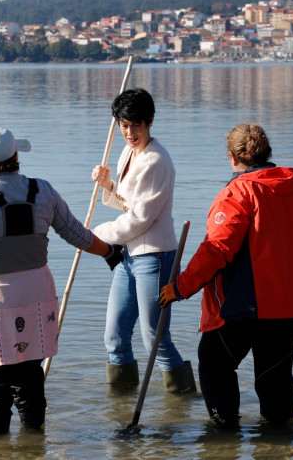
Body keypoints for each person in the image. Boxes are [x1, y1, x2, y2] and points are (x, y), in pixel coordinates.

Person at [0, 126, 123, 434]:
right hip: (36, 294)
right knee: (30, 375)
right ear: (16, 156)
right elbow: (76, 233)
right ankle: (34, 443)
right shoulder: (43, 190)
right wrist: (109, 252)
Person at [159, 123, 293, 428]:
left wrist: (180, 288)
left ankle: (224, 437)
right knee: (275, 375)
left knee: (215, 364)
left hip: (246, 305)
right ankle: (280, 441)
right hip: (292, 305)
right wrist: (290, 270)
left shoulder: (238, 192)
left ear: (232, 157)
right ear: (268, 153)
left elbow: (216, 249)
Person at [90, 88, 196, 393]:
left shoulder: (157, 160)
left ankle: (182, 400)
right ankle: (121, 401)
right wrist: (108, 183)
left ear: (149, 121)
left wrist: (94, 237)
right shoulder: (127, 152)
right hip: (128, 256)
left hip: (155, 257)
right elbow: (127, 203)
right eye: (123, 124)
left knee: (155, 338)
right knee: (114, 336)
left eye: (135, 124)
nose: (129, 132)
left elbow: (139, 220)